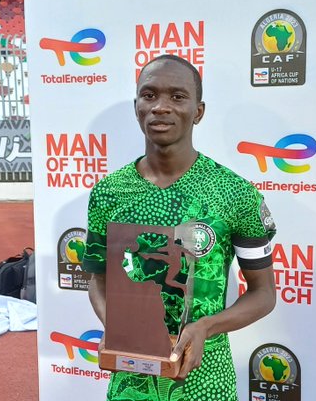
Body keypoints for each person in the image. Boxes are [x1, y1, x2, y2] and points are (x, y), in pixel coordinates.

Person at [84, 55, 277, 401]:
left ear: (198, 112)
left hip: (207, 383)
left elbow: (263, 293)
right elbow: (98, 278)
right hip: (132, 385)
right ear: (136, 107)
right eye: (149, 95)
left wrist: (205, 327)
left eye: (177, 97)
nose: (160, 107)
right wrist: (116, 326)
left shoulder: (235, 193)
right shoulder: (108, 192)